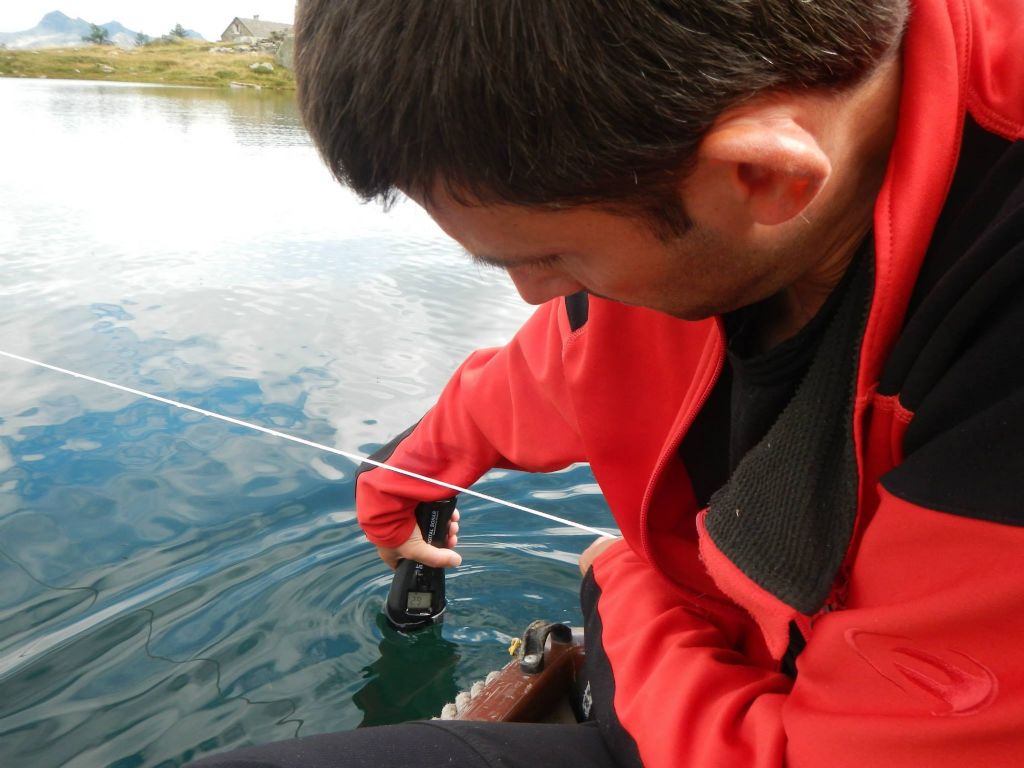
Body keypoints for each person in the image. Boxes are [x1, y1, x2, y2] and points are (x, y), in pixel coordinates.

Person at [190, 0, 1024, 766]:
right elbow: (565, 358)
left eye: (552, 257)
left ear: (762, 176)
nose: (534, 293)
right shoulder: (682, 178)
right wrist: (408, 473)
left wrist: (619, 590)